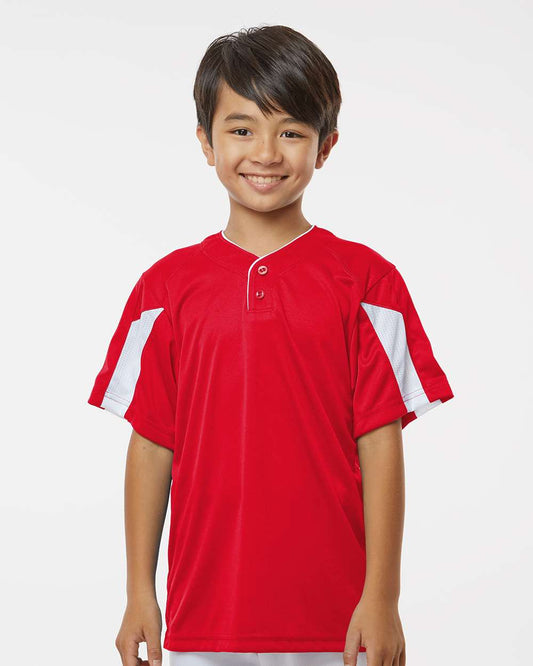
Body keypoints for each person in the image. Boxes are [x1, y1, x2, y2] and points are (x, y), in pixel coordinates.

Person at [87, 24, 454, 666]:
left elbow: (381, 442)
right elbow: (151, 444)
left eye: (291, 132)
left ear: (326, 145)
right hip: (204, 622)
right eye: (241, 128)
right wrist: (138, 591)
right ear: (205, 141)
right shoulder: (163, 289)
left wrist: (383, 597)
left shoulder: (369, 283)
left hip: (338, 625)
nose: (265, 152)